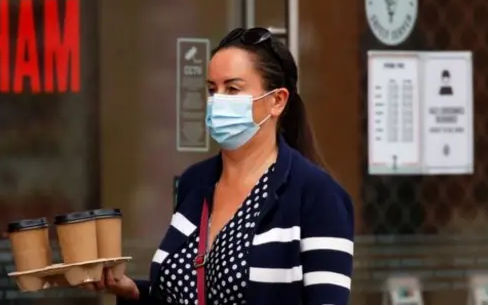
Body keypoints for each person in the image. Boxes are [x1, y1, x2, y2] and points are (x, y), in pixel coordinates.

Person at [84, 28, 354, 304]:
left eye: (233, 89)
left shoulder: (317, 196)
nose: (218, 101)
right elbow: (186, 292)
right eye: (212, 89)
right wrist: (132, 291)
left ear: (277, 101)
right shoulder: (196, 183)